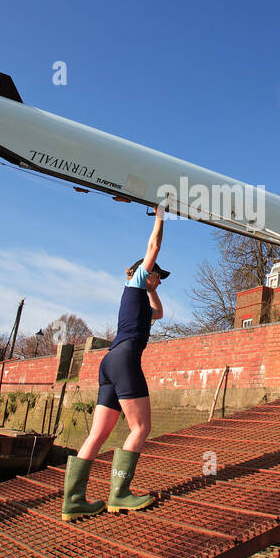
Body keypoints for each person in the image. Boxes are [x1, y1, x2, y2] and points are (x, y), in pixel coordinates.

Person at [62, 204, 169, 520]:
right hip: (124, 362)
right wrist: (161, 215)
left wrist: (153, 289)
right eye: (158, 276)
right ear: (143, 273)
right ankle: (120, 494)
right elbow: (154, 246)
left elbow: (159, 314)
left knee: (98, 434)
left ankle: (74, 500)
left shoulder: (139, 300)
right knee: (141, 427)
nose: (160, 280)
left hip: (109, 363)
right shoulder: (135, 282)